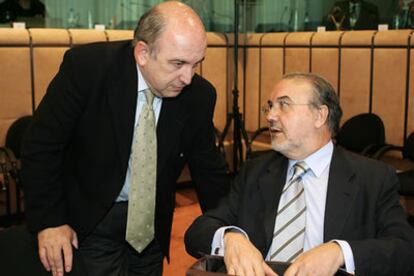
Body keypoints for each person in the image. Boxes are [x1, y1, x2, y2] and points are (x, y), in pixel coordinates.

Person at [20, 1, 229, 276]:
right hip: (91, 217)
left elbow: (208, 170)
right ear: (143, 52)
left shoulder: (199, 95)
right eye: (178, 63)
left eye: (195, 64)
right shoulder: (88, 70)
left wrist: (228, 232)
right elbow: (42, 145)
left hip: (150, 227)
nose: (188, 77)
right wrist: (49, 222)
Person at [185, 72, 414, 276]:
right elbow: (198, 231)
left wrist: (339, 252)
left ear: (320, 116)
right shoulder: (255, 171)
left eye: (284, 105)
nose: (271, 116)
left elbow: (405, 250)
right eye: (270, 106)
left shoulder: (372, 178)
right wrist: (230, 238)